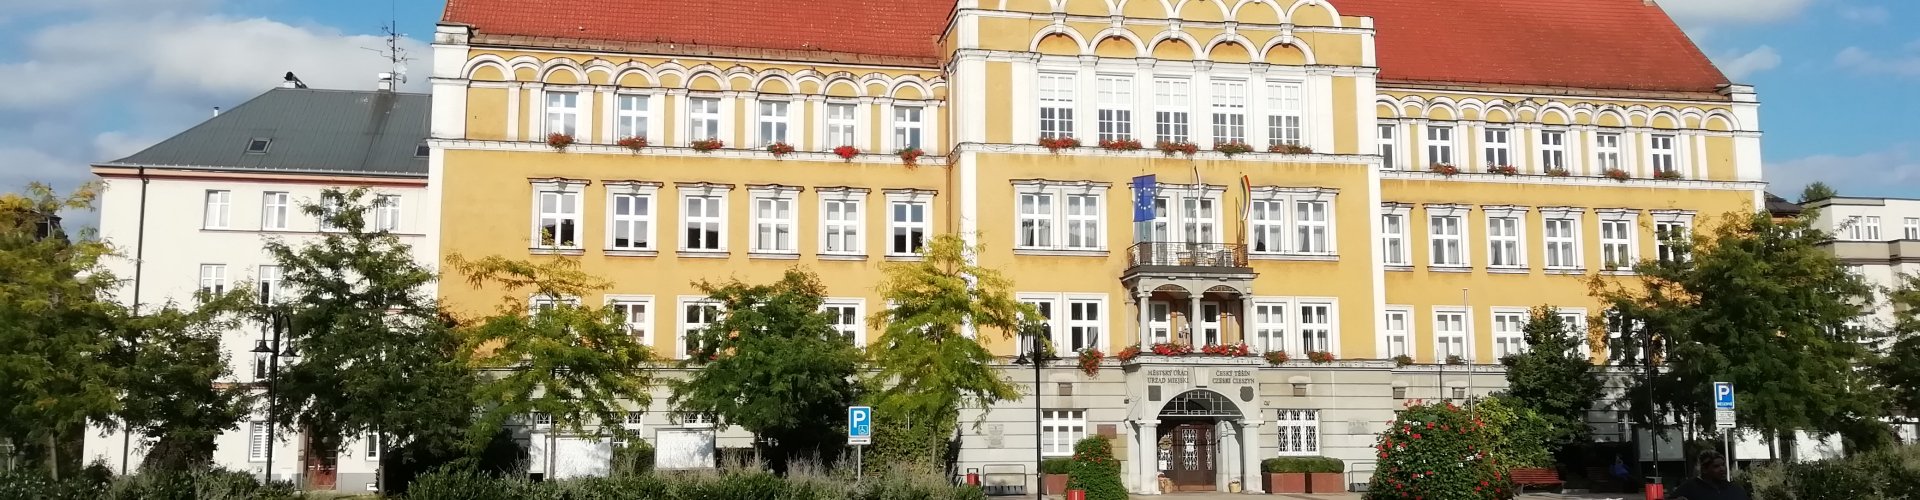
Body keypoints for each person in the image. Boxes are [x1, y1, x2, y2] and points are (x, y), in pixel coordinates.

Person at [1668, 450, 1749, 500]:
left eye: (1723, 465)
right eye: (1716, 466)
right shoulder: (1689, 488)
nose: (1722, 469)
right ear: (1704, 470)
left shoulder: (1735, 490)